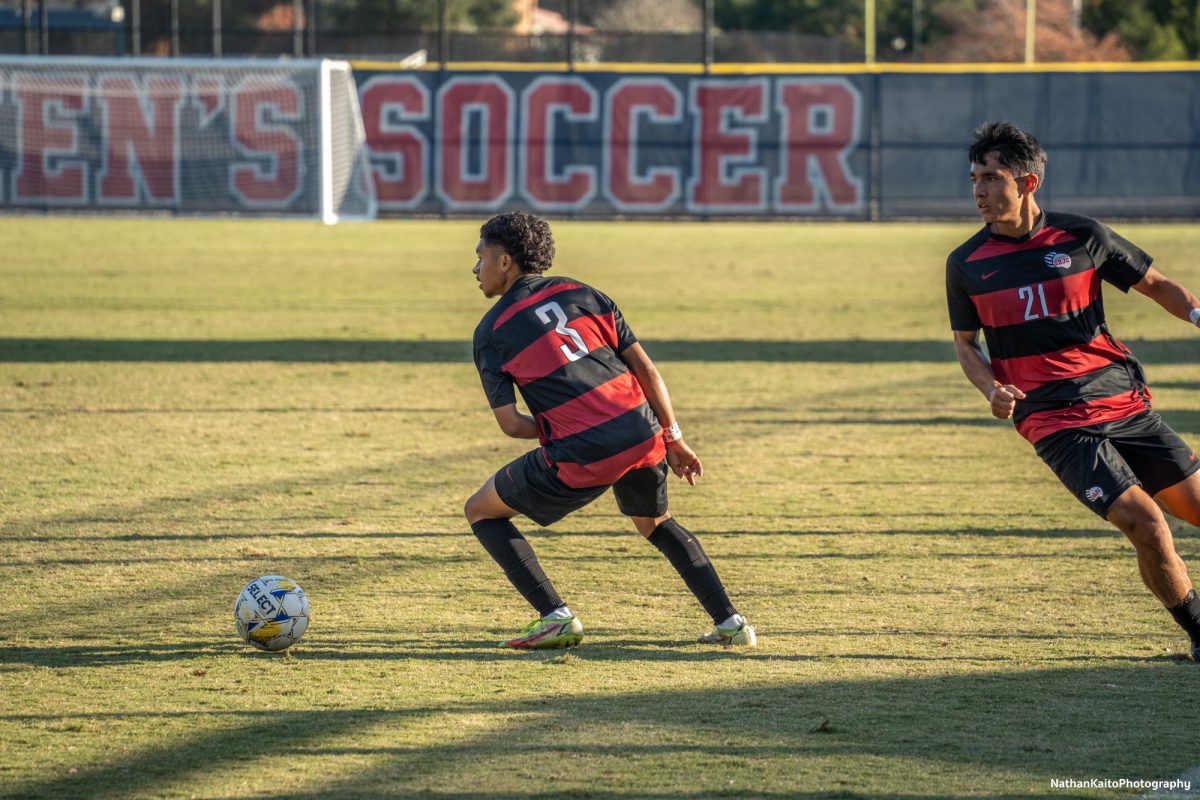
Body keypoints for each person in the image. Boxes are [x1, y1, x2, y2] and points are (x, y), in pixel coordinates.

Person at [946, 121, 1200, 661]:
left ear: (1028, 182)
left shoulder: (1082, 237)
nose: (980, 191)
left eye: (992, 178)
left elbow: (1155, 285)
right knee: (1148, 524)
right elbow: (967, 345)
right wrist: (991, 388)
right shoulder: (966, 264)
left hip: (1123, 402)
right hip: (1053, 420)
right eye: (974, 179)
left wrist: (1197, 314)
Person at [463, 212, 755, 650]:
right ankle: (731, 622)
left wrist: (566, 429)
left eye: (480, 256)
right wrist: (673, 438)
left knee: (481, 510)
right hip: (642, 431)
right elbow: (646, 370)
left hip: (584, 450)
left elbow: (510, 424)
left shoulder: (491, 332)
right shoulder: (583, 293)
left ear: (506, 262)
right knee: (654, 522)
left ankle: (555, 616)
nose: (475, 268)